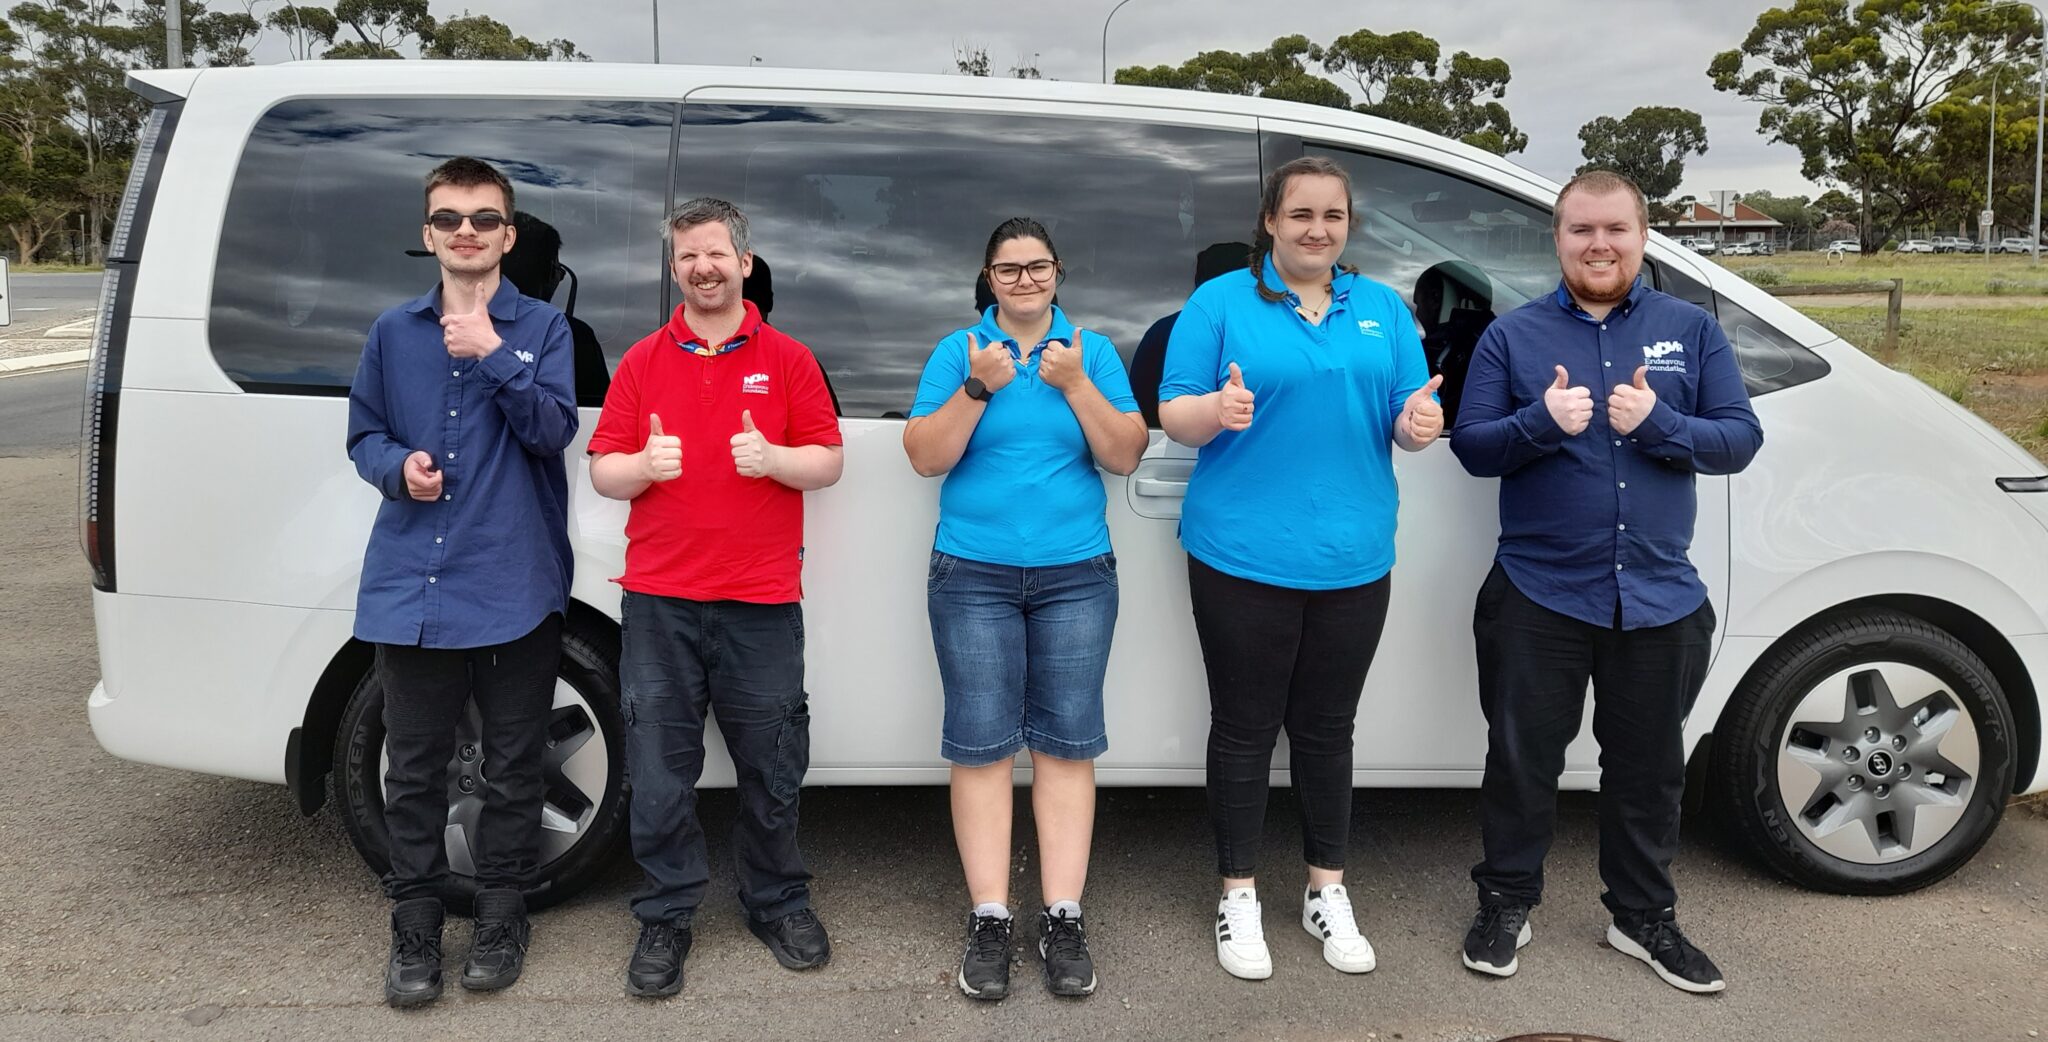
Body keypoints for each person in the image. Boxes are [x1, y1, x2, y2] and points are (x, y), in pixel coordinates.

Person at [1449, 169, 1762, 994]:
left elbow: (1739, 439)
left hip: (1661, 597)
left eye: (1614, 229)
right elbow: (1473, 447)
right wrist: (1538, 424)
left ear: (1643, 235)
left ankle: (1642, 918)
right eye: (1581, 230)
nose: (1599, 245)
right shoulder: (1511, 338)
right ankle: (1507, 903)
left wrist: (1658, 423)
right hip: (1538, 593)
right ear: (1557, 240)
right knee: (1521, 762)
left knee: (1651, 769)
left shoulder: (1689, 329)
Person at [1157, 156, 1444, 981]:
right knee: (1245, 728)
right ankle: (1238, 894)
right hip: (1242, 555)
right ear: (1270, 222)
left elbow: (1405, 411)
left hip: (1354, 556)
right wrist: (1213, 412)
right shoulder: (1220, 304)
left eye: (1333, 215)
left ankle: (1326, 890)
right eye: (1300, 214)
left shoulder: (1382, 309)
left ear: (1348, 225)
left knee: (1328, 730)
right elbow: (1174, 410)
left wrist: (1419, 425)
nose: (1317, 229)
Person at [587, 197, 844, 999]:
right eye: (687, 256)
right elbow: (603, 468)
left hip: (762, 600)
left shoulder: (790, 358)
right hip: (660, 601)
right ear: (675, 269)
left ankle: (777, 901)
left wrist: (774, 457)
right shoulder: (641, 361)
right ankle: (666, 914)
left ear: (743, 260)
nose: (703, 267)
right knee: (661, 769)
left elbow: (830, 462)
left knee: (773, 765)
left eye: (715, 254)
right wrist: (642, 469)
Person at [345, 156, 578, 1007]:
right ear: (429, 235)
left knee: (516, 763)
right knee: (413, 768)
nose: (467, 232)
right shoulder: (391, 331)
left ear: (508, 237)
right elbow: (362, 435)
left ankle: (501, 913)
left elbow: (554, 431)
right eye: (449, 219)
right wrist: (393, 468)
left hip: (514, 581)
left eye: (484, 218)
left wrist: (494, 355)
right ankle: (413, 924)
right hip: (412, 581)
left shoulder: (543, 332)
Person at [902, 217, 1148, 1002]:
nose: (1024, 281)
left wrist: (1074, 383)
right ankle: (990, 917)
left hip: (1075, 574)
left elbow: (1125, 452)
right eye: (1008, 270)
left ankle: (1063, 915)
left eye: (1036, 267)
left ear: (1058, 271)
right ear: (989, 278)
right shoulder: (960, 352)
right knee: (979, 746)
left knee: (1068, 745)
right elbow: (924, 456)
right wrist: (980, 387)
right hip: (971, 573)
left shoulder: (1094, 352)